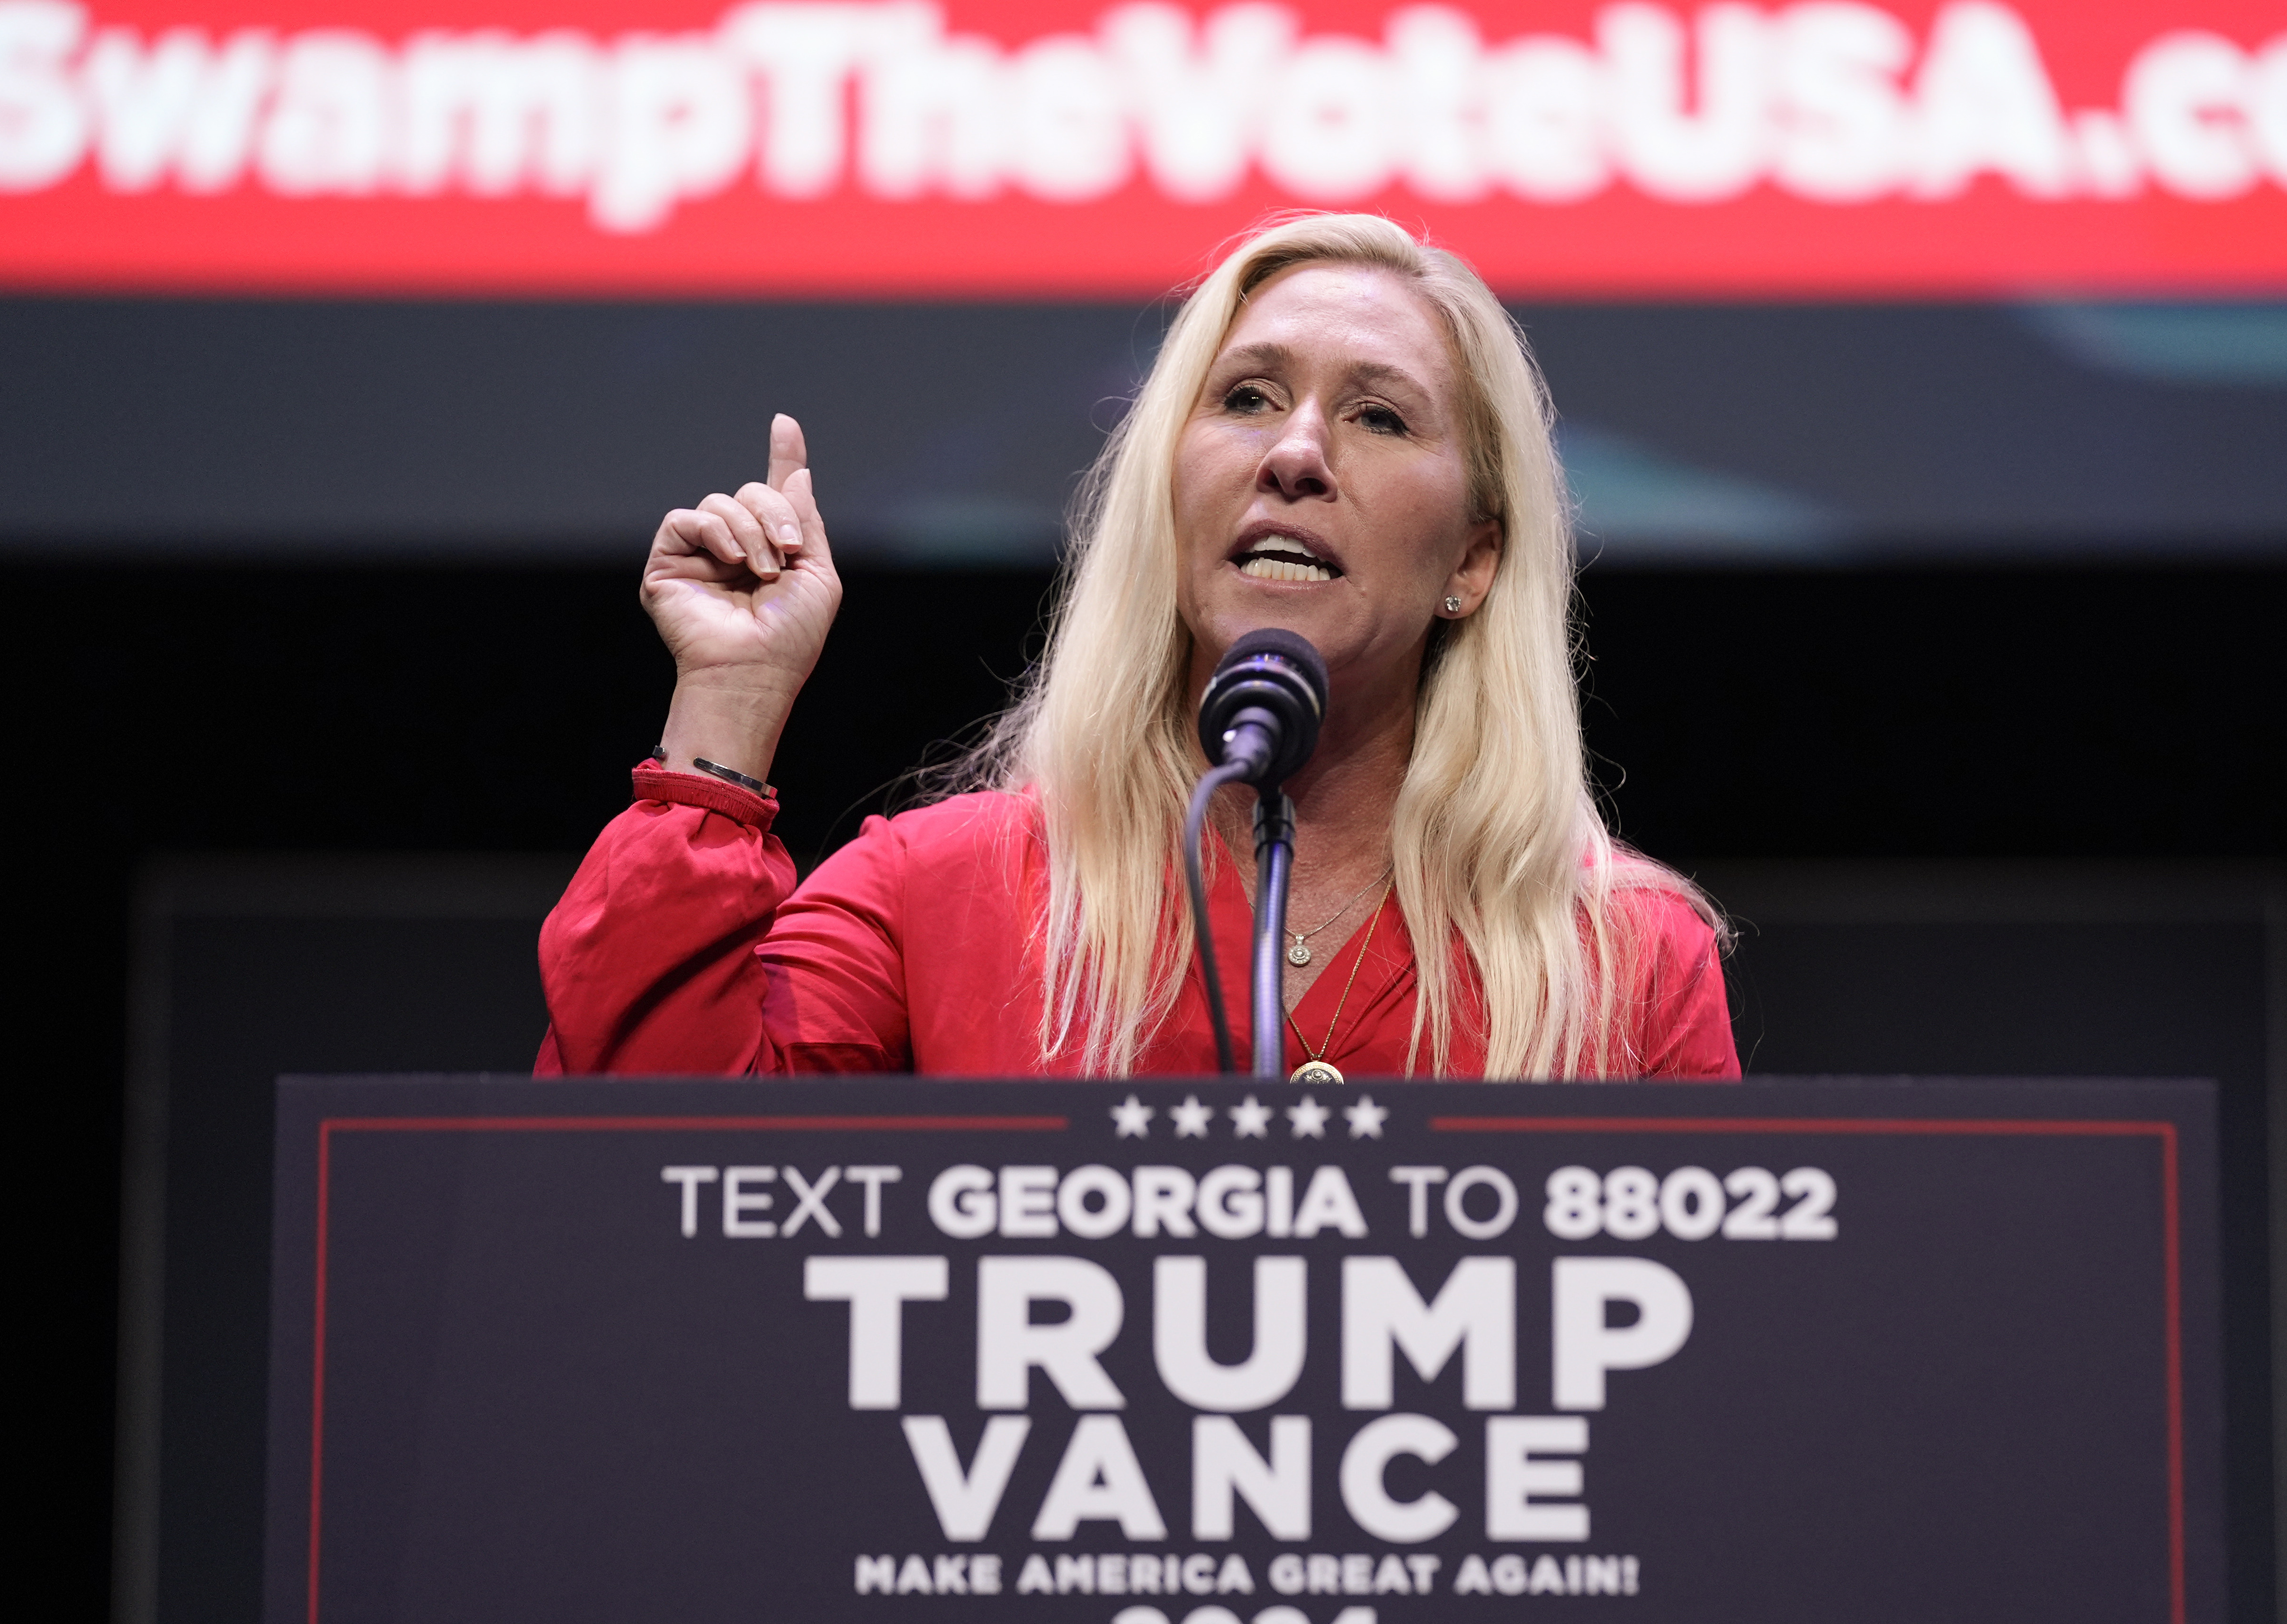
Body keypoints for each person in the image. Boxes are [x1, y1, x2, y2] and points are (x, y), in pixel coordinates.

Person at [538, 213, 1734, 1082]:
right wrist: (727, 709)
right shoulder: (941, 891)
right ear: (1167, 495)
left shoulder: (1622, 962)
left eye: (1378, 415)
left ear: (1473, 562)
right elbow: (650, 1197)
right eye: (1248, 398)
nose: (1297, 453)